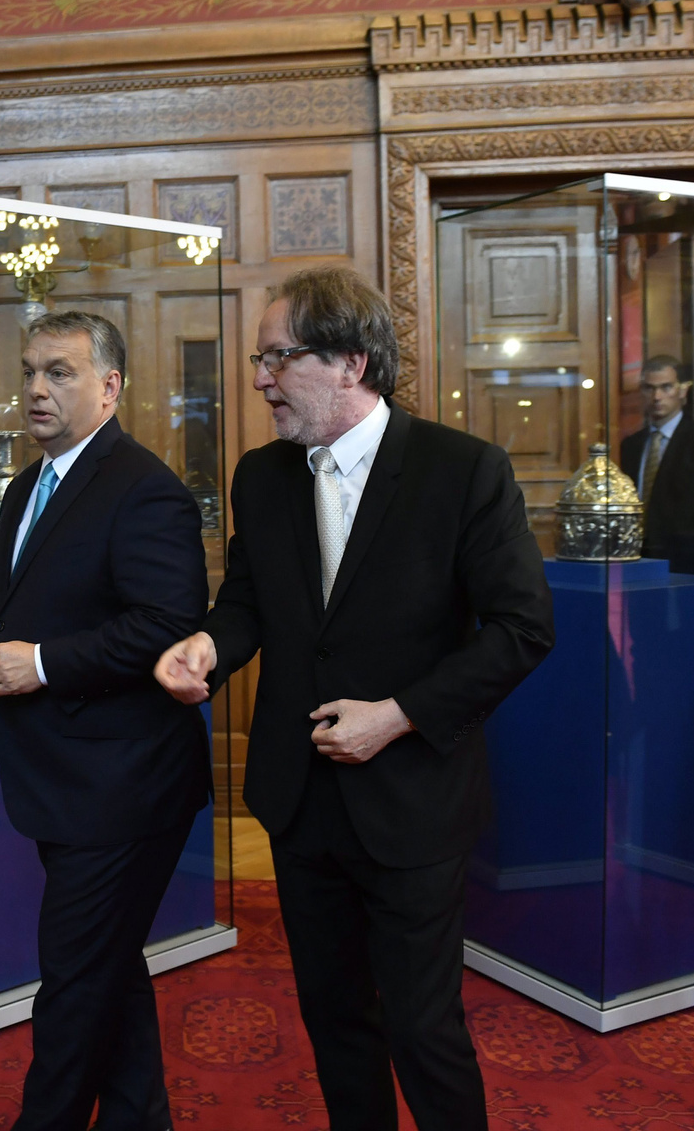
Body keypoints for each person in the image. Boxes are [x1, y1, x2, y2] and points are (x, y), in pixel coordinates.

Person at [154, 268, 553, 1131]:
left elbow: (523, 630)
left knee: (423, 1028)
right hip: (300, 799)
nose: (259, 380)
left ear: (351, 362)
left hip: (412, 801)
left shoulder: (463, 470)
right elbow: (248, 602)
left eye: (277, 358)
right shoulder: (261, 476)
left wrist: (397, 715)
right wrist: (209, 647)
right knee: (335, 1020)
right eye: (259, 360)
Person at [0, 310, 208, 1131]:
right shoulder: (27, 486)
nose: (36, 388)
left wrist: (41, 664)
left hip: (124, 785)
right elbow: (11, 602)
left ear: (110, 387)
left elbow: (168, 624)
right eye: (29, 371)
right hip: (63, 778)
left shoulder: (145, 488)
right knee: (105, 968)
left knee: (73, 980)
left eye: (59, 372)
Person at [618, 355, 694, 576]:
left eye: (666, 387)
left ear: (683, 390)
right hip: (638, 561)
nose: (657, 397)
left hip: (691, 564)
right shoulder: (631, 445)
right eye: (649, 388)